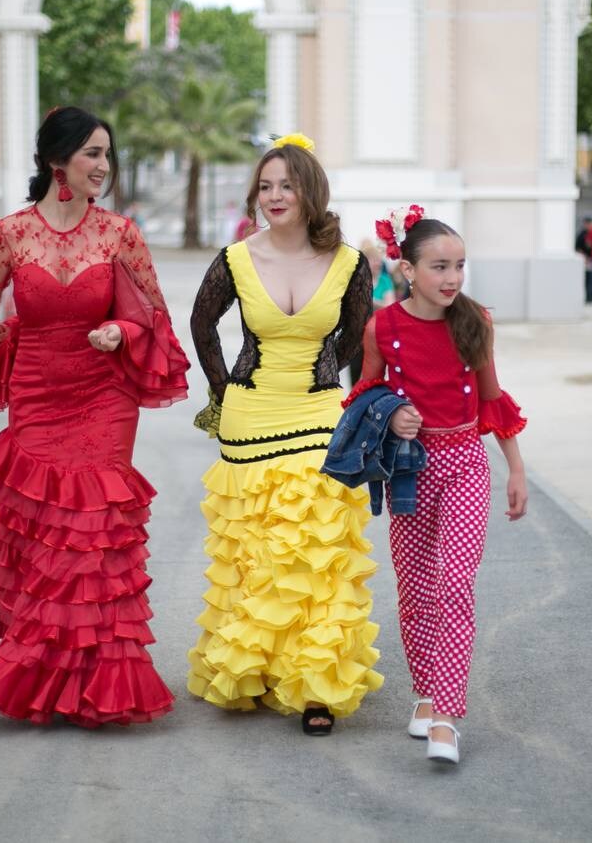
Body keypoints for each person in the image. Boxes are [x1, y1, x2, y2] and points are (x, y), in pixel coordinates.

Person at [0, 105, 189, 726]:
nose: (103, 167)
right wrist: (15, 333)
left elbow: (153, 315)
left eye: (107, 155)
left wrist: (116, 326)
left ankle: (101, 681)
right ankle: (41, 673)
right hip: (36, 394)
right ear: (56, 159)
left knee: (94, 530)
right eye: (92, 153)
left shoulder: (119, 233)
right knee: (45, 534)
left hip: (103, 397)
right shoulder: (10, 233)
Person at [187, 133, 382, 736]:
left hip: (320, 413)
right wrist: (224, 391)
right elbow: (201, 322)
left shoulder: (349, 263)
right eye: (265, 186)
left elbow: (359, 336)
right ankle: (260, 670)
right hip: (251, 417)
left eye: (286, 185)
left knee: (321, 552)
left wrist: (330, 381)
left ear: (310, 192)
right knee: (259, 555)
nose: (274, 196)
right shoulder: (237, 259)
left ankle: (318, 686)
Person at [348, 210, 527, 765]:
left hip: (467, 463)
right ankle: (425, 691)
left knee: (455, 585)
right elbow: (362, 396)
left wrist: (515, 470)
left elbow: (494, 400)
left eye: (460, 266)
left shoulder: (477, 322)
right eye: (440, 267)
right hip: (409, 468)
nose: (452, 278)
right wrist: (393, 411)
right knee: (416, 588)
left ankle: (446, 716)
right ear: (408, 268)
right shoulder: (382, 327)